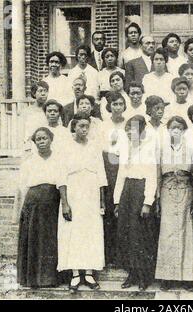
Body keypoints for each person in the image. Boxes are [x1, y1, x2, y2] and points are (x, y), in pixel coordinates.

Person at [57, 113, 107, 292]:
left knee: (90, 232)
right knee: (73, 232)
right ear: (74, 127)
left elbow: (101, 175)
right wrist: (65, 203)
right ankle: (76, 274)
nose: (84, 130)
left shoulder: (94, 146)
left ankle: (89, 273)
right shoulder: (65, 147)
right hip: (73, 193)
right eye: (81, 126)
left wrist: (102, 200)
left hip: (91, 194)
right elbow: (61, 177)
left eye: (87, 126)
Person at [15, 127, 70, 288]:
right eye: (38, 139)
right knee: (33, 240)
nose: (41, 142)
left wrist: (65, 203)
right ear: (34, 142)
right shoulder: (28, 162)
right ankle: (32, 279)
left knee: (50, 240)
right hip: (32, 204)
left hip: (52, 203)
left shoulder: (59, 160)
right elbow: (23, 187)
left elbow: (62, 183)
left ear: (51, 140)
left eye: (44, 138)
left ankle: (49, 278)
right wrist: (21, 209)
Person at [114, 115, 158, 291]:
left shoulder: (148, 150)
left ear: (142, 131)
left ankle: (143, 276)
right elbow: (120, 176)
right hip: (127, 191)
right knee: (126, 234)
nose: (130, 133)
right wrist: (117, 201)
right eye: (127, 130)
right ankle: (131, 274)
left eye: (133, 130)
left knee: (140, 235)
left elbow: (152, 177)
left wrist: (147, 202)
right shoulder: (126, 149)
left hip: (140, 191)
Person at [155, 116, 193, 290]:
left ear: (184, 130)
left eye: (180, 127)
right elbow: (157, 175)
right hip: (167, 191)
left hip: (186, 191)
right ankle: (166, 276)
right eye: (173, 127)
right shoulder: (161, 150)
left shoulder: (191, 151)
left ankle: (187, 277)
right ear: (168, 130)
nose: (176, 130)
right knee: (167, 232)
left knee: (187, 232)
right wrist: (157, 198)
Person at [101, 92, 129, 266]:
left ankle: (123, 256)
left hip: (125, 165)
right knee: (110, 209)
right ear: (109, 106)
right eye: (114, 104)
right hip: (109, 166)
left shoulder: (130, 123)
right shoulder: (103, 125)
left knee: (123, 209)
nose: (117, 107)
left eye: (120, 104)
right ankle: (109, 255)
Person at [23, 81, 49, 153]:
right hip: (33, 147)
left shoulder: (50, 110)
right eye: (40, 91)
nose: (43, 94)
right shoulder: (27, 111)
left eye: (45, 91)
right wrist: (27, 148)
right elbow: (25, 132)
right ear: (34, 93)